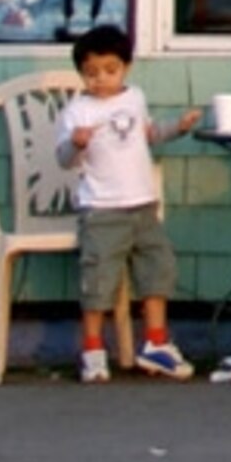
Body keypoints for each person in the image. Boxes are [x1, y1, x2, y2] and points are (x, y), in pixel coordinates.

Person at [55, 22, 200, 382]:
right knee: (99, 278)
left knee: (157, 268)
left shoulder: (134, 97)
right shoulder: (77, 112)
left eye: (110, 70)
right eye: (91, 73)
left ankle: (155, 343)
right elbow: (63, 159)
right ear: (81, 74)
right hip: (102, 208)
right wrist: (77, 143)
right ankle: (92, 349)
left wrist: (178, 128)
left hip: (142, 204)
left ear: (126, 68)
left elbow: (147, 135)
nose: (100, 80)